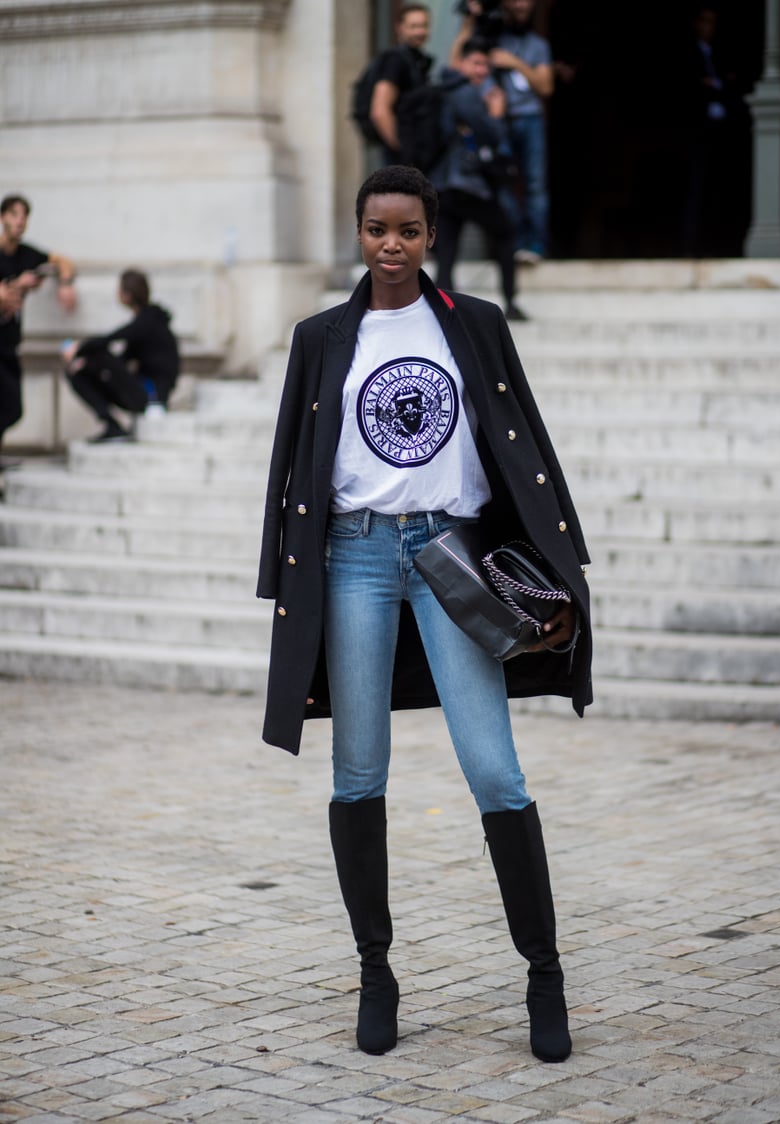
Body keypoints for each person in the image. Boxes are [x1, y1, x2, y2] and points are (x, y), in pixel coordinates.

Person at [257, 165, 592, 1063]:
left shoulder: (475, 325)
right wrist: (282, 578)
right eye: (375, 229)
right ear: (360, 233)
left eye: (406, 229)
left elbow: (524, 446)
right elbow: (294, 457)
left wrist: (559, 565)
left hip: (452, 558)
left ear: (430, 235)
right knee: (358, 774)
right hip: (354, 558)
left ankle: (544, 974)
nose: (391, 245)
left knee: (496, 773)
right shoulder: (322, 337)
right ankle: (376, 972)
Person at [430, 37, 527, 321]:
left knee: (447, 249)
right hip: (465, 184)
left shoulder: (448, 90)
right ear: (461, 64)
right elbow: (491, 133)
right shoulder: (465, 93)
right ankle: (509, 302)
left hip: (445, 185)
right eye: (476, 63)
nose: (482, 70)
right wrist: (496, 115)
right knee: (506, 232)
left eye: (485, 64)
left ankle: (442, 310)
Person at [453, 0, 553, 263]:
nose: (520, 6)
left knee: (535, 183)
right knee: (502, 184)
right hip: (499, 120)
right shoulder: (492, 38)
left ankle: (535, 245)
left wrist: (514, 63)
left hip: (529, 118)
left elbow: (545, 87)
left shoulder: (537, 45)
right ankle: (514, 242)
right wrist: (470, 20)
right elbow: (458, 62)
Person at [0, 194, 77, 466]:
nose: (19, 221)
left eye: (24, 216)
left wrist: (65, 284)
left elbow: (62, 261)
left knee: (11, 407)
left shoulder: (26, 255)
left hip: (8, 341)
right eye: (13, 214)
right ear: (2, 218)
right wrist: (16, 287)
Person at [62, 269, 180, 442]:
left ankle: (112, 425)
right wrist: (85, 364)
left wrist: (79, 349)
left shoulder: (147, 322)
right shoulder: (146, 321)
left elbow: (109, 340)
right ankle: (112, 426)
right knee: (77, 372)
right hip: (145, 392)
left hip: (152, 396)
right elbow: (121, 360)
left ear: (127, 295)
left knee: (99, 354)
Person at [682, 4, 752, 257]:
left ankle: (718, 244)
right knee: (696, 190)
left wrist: (715, 84)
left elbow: (729, 84)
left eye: (712, 22)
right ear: (695, 24)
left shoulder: (720, 55)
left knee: (719, 190)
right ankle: (692, 248)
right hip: (697, 132)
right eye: (705, 21)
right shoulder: (688, 54)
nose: (709, 28)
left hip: (721, 133)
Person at [369, 4, 434, 164]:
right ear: (399, 28)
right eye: (413, 26)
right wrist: (402, 151)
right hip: (402, 158)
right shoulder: (396, 59)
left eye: (424, 25)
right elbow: (380, 111)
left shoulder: (417, 60)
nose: (420, 31)